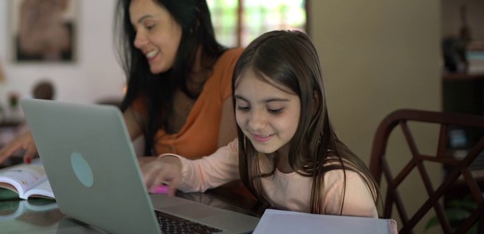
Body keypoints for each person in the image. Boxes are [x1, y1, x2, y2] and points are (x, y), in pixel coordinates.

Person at [0, 0, 241, 173]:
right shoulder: (156, 88)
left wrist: (156, 165)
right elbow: (104, 136)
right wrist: (46, 136)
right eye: (135, 30)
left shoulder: (234, 66)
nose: (138, 41)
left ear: (193, 20)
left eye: (149, 26)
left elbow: (229, 171)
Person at [141, 30, 380, 217]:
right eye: (243, 106)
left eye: (274, 109)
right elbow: (201, 173)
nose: (255, 123)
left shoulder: (342, 186)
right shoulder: (250, 154)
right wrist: (174, 166)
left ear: (312, 103)